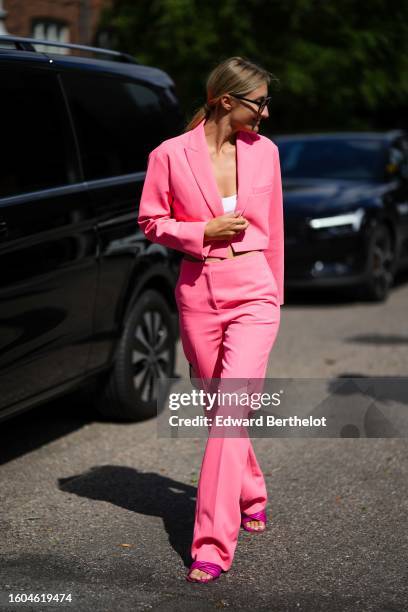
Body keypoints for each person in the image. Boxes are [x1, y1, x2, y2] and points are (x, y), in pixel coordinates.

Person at [138, 56, 284, 583]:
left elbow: (276, 229)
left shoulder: (265, 154)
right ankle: (251, 490)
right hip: (198, 292)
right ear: (227, 100)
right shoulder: (169, 156)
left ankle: (211, 545)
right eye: (259, 102)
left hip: (254, 295)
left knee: (229, 413)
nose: (266, 113)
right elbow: (151, 220)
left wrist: (275, 295)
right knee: (217, 408)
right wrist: (201, 232)